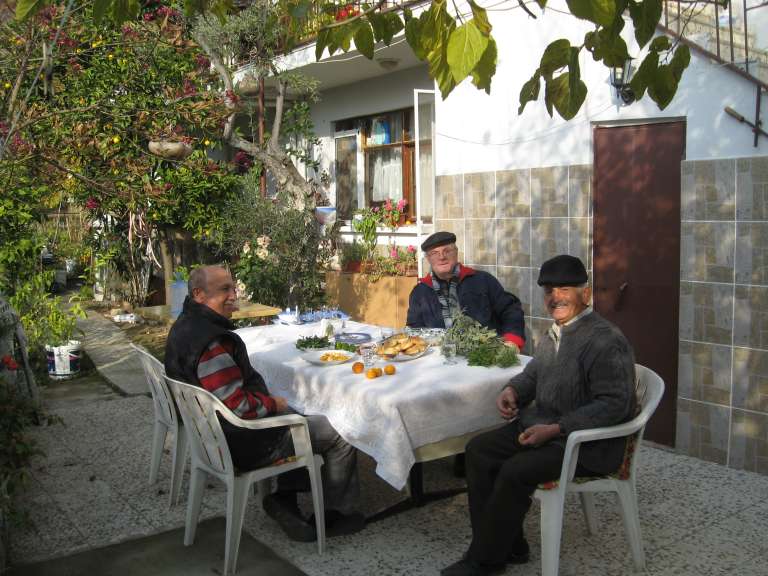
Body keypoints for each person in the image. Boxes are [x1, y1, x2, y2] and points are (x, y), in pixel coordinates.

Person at [441, 255, 637, 576]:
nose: (555, 297)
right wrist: (513, 390)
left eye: (564, 289)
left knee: (515, 469)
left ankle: (485, 561)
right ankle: (511, 546)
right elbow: (533, 372)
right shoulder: (557, 331)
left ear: (586, 294)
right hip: (545, 428)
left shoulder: (605, 340)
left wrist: (557, 428)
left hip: (585, 445)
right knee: (478, 451)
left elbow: (615, 404)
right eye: (548, 290)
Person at [164, 265, 363, 542]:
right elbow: (237, 405)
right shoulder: (211, 343)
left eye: (233, 288)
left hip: (213, 435)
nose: (233, 295)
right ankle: (338, 515)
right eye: (224, 290)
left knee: (298, 413)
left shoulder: (186, 324)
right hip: (242, 441)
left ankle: (285, 498)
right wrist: (273, 405)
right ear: (199, 294)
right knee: (340, 430)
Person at [406, 231, 525, 350]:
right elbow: (414, 330)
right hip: (440, 356)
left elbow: (510, 310)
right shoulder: (420, 292)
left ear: (456, 252)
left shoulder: (483, 280)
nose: (442, 257)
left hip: (484, 353)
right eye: (434, 253)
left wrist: (512, 340)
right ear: (428, 258)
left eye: (447, 251)